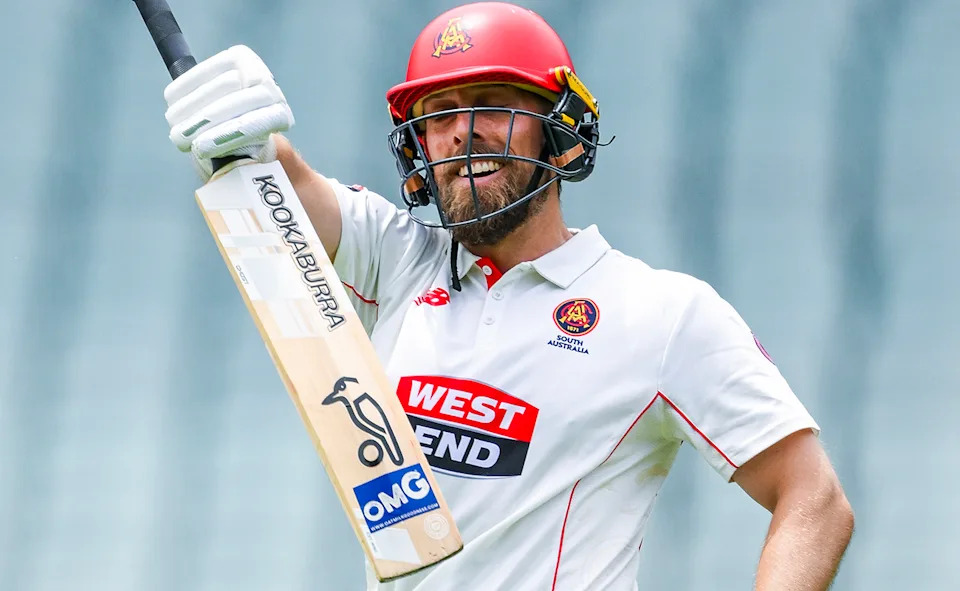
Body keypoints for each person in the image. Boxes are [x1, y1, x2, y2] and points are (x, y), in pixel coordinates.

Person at [162, 3, 854, 590]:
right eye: (439, 115)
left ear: (558, 136)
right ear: (418, 149)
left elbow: (815, 499)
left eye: (492, 104)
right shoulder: (401, 261)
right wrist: (247, 132)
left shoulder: (665, 314)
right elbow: (280, 181)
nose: (463, 131)